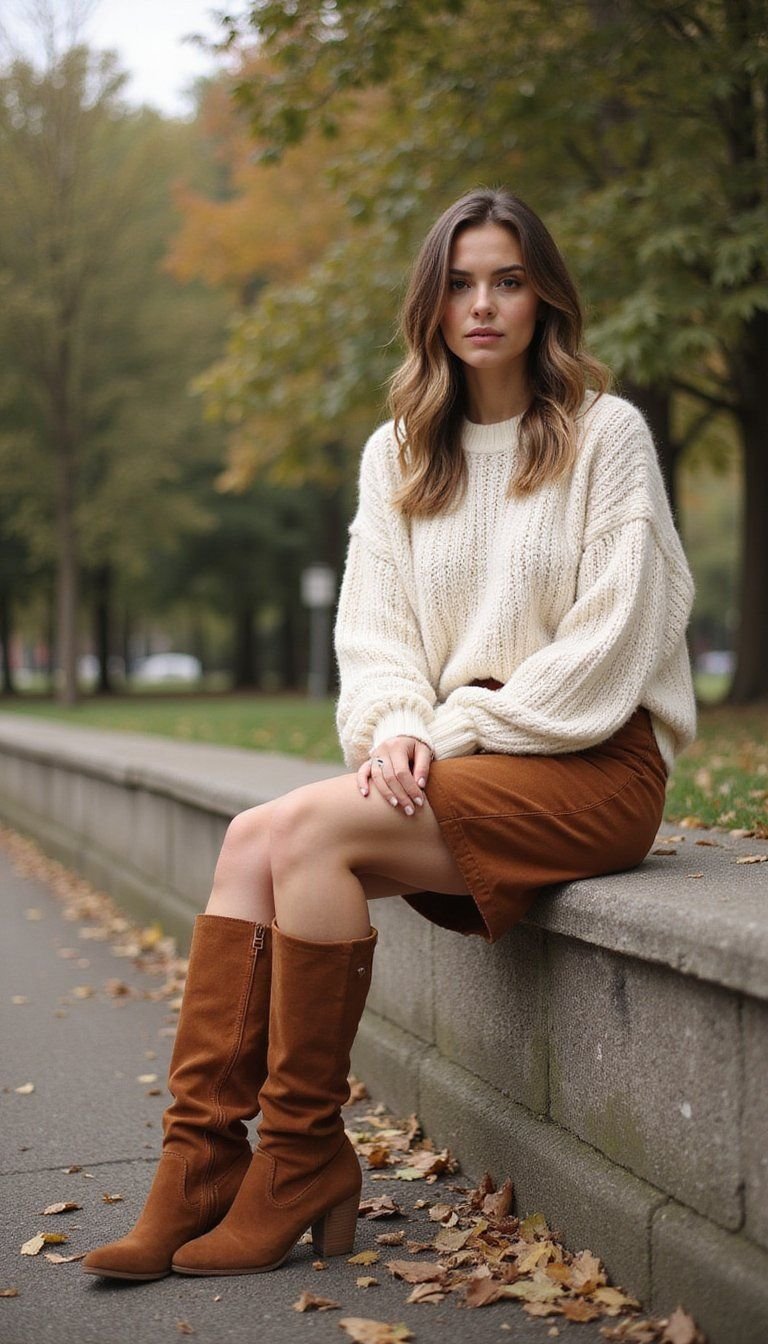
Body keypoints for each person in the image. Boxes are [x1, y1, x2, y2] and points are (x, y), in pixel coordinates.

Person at [82, 187, 696, 1282]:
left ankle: (303, 1160)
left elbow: (611, 643)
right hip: (463, 758)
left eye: (507, 279)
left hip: (590, 761)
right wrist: (398, 727)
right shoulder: (402, 450)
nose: (484, 304)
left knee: (307, 836)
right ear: (433, 302)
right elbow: (373, 635)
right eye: (461, 282)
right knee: (251, 838)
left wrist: (445, 731)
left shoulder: (607, 436)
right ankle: (202, 1166)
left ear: (544, 293)